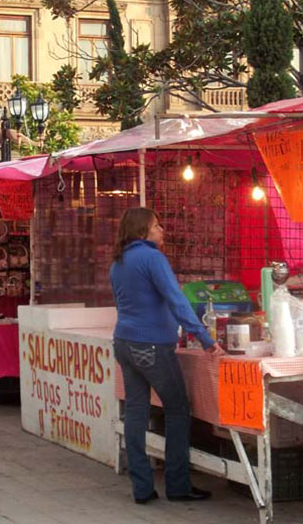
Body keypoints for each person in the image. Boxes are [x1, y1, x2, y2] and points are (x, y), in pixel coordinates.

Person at [110, 208, 224, 505]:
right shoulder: (153, 258)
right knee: (177, 409)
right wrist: (205, 338)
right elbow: (177, 300)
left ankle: (142, 487)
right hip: (151, 346)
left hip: (124, 342)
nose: (163, 231)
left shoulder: (118, 262)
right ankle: (177, 484)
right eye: (157, 225)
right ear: (143, 231)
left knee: (136, 411)